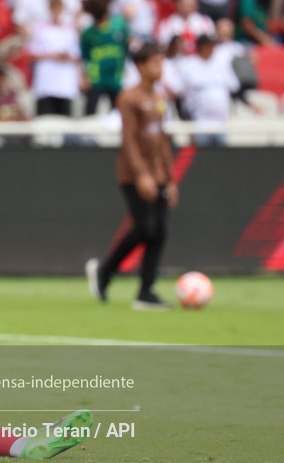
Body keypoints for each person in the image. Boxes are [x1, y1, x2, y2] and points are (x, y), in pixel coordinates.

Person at [86, 43, 177, 311]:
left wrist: (169, 178)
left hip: (159, 174)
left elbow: (161, 141)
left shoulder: (160, 98)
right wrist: (141, 174)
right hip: (133, 175)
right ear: (140, 66)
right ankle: (105, 270)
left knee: (159, 232)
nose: (160, 68)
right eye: (155, 63)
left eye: (162, 63)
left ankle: (145, 291)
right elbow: (128, 140)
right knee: (146, 227)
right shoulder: (128, 98)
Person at [177, 34, 238, 146]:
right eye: (209, 45)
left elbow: (235, 88)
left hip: (222, 126)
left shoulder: (222, 64)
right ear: (202, 46)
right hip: (199, 126)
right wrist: (187, 121)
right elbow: (182, 96)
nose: (212, 48)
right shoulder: (188, 65)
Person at [27, 0, 81, 117]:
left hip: (65, 84)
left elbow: (77, 55)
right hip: (46, 83)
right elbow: (31, 53)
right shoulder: (39, 29)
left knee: (65, 121)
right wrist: (51, 55)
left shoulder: (70, 30)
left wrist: (65, 56)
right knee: (45, 118)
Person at [80, 0, 129, 115]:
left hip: (115, 80)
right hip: (95, 81)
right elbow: (84, 58)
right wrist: (85, 77)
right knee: (90, 114)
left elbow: (127, 49)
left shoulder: (120, 26)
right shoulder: (88, 34)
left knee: (117, 115)